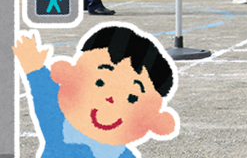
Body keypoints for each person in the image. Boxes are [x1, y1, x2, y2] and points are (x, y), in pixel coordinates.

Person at [12, 24, 178, 157]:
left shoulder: (60, 128)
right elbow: (45, 94)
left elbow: (45, 94)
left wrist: (34, 68)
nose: (110, 98)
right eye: (100, 82)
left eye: (132, 97)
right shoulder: (61, 128)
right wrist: (34, 68)